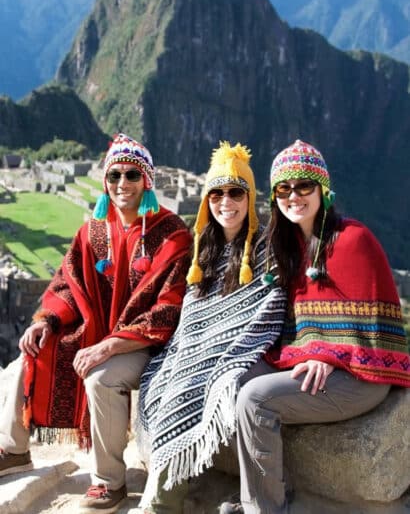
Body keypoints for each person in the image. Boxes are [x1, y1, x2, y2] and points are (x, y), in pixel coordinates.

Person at [0, 133, 192, 513]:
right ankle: (15, 449)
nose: (123, 184)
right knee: (34, 348)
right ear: (106, 181)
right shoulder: (94, 232)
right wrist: (46, 320)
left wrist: (111, 344)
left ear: (147, 181)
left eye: (132, 176)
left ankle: (109, 481)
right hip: (99, 334)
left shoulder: (172, 236)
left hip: (149, 344)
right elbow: (68, 286)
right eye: (115, 175)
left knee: (100, 375)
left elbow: (168, 309)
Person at [220, 139, 410, 514]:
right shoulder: (289, 245)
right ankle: (263, 495)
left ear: (323, 189)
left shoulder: (354, 241)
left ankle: (265, 509)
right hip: (312, 362)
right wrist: (314, 351)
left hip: (361, 375)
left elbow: (371, 332)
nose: (294, 196)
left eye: (304, 186)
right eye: (284, 189)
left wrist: (328, 354)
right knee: (235, 377)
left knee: (256, 399)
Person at [138, 141, 287, 514]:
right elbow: (193, 319)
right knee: (163, 378)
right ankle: (160, 495)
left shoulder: (267, 250)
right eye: (217, 193)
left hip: (244, 352)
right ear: (206, 200)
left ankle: (159, 505)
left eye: (236, 192)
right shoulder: (204, 249)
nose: (226, 202)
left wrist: (222, 353)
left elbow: (266, 313)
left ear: (249, 197)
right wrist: (190, 350)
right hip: (196, 349)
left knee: (202, 382)